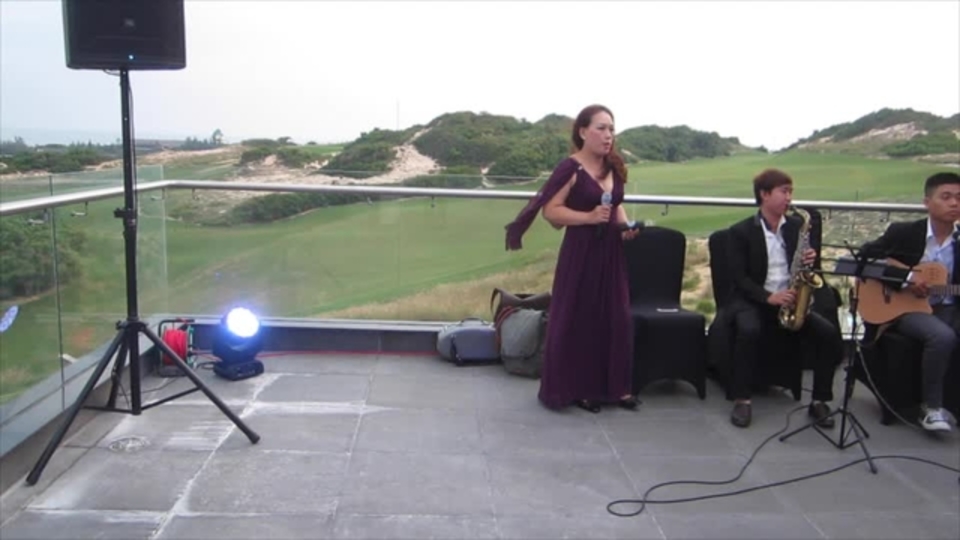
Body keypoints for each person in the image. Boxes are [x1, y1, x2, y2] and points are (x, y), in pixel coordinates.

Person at [505, 104, 640, 413]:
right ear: (582, 132)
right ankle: (580, 388)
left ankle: (616, 387)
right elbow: (551, 212)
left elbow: (616, 204)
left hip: (611, 253)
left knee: (616, 317)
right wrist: (588, 217)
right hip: (582, 253)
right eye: (601, 128)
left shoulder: (613, 166)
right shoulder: (571, 168)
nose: (608, 135)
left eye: (611, 129)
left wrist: (624, 227)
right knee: (582, 319)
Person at [725, 168, 842, 428]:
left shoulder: (797, 227)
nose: (789, 198)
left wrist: (810, 260)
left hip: (790, 299)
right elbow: (738, 278)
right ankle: (742, 399)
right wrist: (768, 297)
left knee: (828, 334)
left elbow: (805, 269)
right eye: (784, 192)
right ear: (764, 195)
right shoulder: (740, 232)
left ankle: (819, 401)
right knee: (748, 330)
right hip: (754, 299)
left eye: (791, 192)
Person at [858, 171, 960, 432]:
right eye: (946, 197)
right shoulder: (904, 233)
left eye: (959, 198)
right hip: (907, 309)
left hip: (950, 306)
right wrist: (906, 279)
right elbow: (865, 258)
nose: (954, 203)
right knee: (942, 336)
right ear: (927, 202)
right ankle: (931, 408)